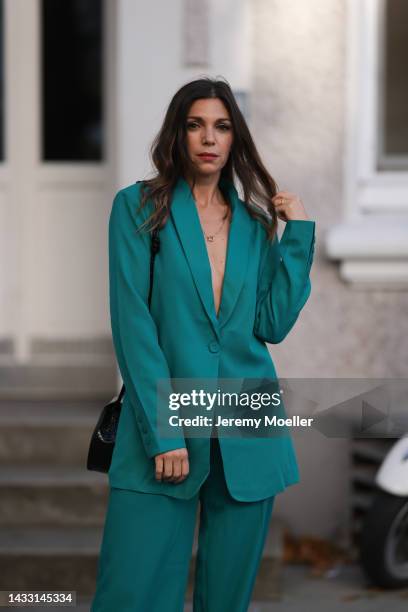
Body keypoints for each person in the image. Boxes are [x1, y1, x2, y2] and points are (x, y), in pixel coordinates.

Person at [90, 76, 316, 612]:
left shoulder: (256, 225)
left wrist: (298, 236)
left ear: (235, 138)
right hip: (163, 434)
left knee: (226, 602)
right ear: (178, 135)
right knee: (132, 595)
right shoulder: (138, 209)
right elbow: (134, 326)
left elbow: (272, 324)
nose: (208, 138)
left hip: (247, 431)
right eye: (195, 125)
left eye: (221, 126)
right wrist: (163, 432)